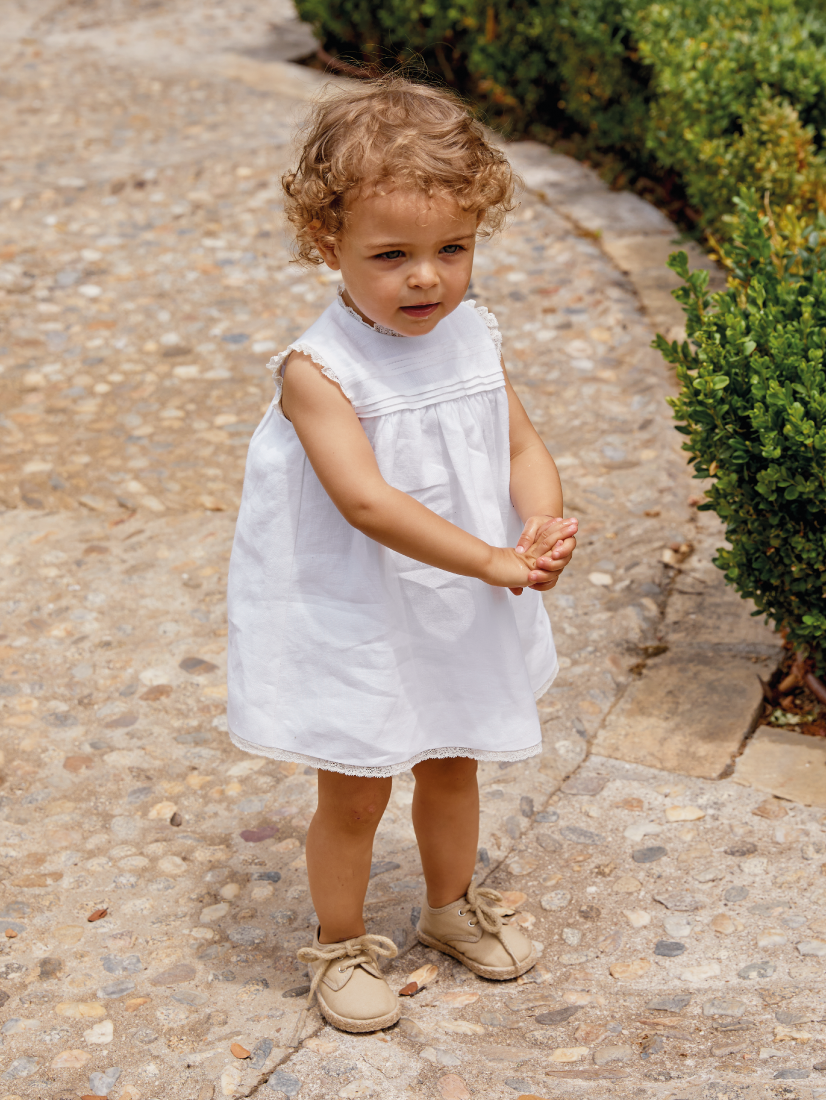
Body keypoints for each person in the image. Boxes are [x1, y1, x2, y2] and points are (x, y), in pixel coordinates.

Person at [226, 75, 578, 1036]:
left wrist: (539, 522)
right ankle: (339, 943)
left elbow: (519, 446)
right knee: (356, 788)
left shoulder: (471, 336)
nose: (428, 278)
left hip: (455, 597)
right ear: (325, 243)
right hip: (361, 610)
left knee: (456, 761)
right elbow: (367, 501)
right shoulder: (319, 371)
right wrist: (493, 562)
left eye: (452, 249)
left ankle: (449, 905)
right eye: (392, 256)